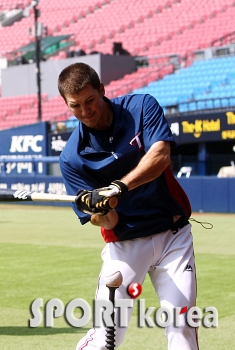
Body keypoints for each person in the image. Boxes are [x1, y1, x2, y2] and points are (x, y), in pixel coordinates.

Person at [58, 63, 197, 349]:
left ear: (103, 91)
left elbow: (160, 156)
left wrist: (118, 186)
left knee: (182, 328)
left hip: (173, 235)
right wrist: (98, 209)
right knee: (106, 338)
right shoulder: (72, 158)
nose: (85, 111)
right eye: (75, 106)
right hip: (125, 244)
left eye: (90, 101)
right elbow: (105, 223)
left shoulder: (141, 107)